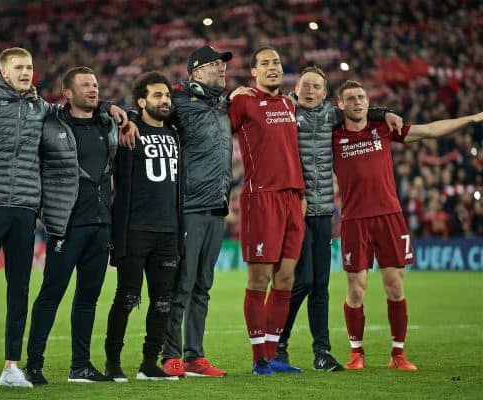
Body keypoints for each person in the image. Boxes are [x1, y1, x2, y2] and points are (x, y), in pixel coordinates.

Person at [0, 47, 128, 390]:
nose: (26, 72)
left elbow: (74, 109)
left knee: (20, 288)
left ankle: (11, 366)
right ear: (3, 70)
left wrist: (109, 106)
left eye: (29, 67)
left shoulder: (40, 107)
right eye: (19, 67)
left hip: (27, 208)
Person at [333, 79, 482, 371]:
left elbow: (430, 131)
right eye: (350, 98)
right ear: (340, 104)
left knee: (394, 285)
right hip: (354, 220)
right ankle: (356, 353)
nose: (358, 102)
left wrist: (472, 118)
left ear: (368, 101)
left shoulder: (384, 128)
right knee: (356, 289)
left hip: (390, 216)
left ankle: (398, 354)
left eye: (361, 97)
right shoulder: (333, 135)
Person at [276, 66, 402, 372]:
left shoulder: (333, 115)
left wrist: (383, 112)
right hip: (295, 209)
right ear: (296, 88)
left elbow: (360, 112)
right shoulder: (284, 110)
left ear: (324, 93)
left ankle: (322, 353)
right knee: (302, 281)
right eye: (304, 85)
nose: (309, 90)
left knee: (320, 284)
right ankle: (278, 344)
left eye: (315, 86)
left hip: (322, 212)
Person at [23, 66, 120, 385]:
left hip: (101, 222)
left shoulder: (108, 123)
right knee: (52, 292)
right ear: (68, 93)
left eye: (95, 84)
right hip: (67, 224)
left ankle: (80, 366)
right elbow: (24, 159)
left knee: (88, 297)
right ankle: (33, 365)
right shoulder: (50, 124)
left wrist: (118, 111)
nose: (93, 89)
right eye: (85, 86)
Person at [228, 47, 305, 375]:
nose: (273, 67)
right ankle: (259, 357)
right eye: (265, 63)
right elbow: (218, 131)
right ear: (254, 72)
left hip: (293, 199)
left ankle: (274, 355)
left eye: (276, 62)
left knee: (285, 278)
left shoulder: (288, 103)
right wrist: (228, 97)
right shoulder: (243, 101)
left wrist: (301, 194)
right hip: (261, 199)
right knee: (259, 279)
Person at [160, 45, 234, 378]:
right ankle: (170, 353)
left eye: (223, 65)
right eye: (214, 65)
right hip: (190, 206)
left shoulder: (221, 105)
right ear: (195, 72)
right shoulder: (179, 102)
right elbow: (146, 110)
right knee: (183, 283)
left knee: (203, 284)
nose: (222, 69)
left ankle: (195, 355)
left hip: (217, 207)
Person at [104, 71, 183, 381]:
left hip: (169, 230)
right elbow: (103, 112)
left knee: (163, 300)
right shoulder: (127, 133)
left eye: (167, 96)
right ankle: (113, 362)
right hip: (135, 229)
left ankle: (150, 363)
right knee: (127, 296)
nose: (164, 101)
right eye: (157, 96)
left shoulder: (176, 133)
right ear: (140, 101)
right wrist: (126, 119)